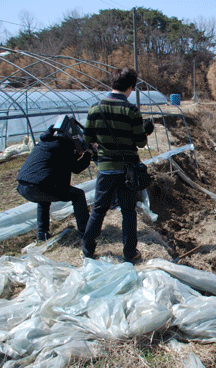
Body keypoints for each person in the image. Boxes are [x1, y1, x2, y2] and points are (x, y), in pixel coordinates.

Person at [81, 67, 153, 262]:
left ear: (112, 84)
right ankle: (130, 253)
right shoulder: (131, 110)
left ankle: (87, 250)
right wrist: (145, 131)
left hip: (105, 167)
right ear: (130, 87)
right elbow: (140, 143)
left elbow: (87, 138)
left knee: (98, 210)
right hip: (127, 170)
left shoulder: (95, 109)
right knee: (128, 211)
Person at [16, 116, 94, 241]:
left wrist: (77, 154)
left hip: (23, 187)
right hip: (40, 186)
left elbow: (62, 161)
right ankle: (85, 232)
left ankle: (42, 234)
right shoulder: (64, 145)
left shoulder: (46, 142)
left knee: (43, 200)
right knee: (78, 195)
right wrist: (88, 154)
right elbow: (76, 168)